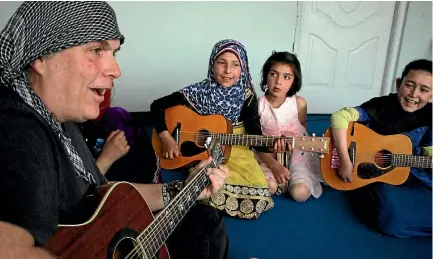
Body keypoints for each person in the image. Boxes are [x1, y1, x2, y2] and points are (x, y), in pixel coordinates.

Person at [0, 2, 229, 259]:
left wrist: (184, 189)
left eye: (114, 54)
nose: (116, 71)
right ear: (40, 57)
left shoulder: (61, 120)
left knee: (204, 221)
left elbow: (98, 197)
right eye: (96, 49)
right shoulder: (17, 128)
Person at [150, 39, 279, 219]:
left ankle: (211, 197)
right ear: (212, 64)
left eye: (235, 65)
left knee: (259, 187)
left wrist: (272, 145)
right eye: (221, 63)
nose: (228, 71)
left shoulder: (247, 96)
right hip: (205, 152)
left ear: (243, 69)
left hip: (237, 148)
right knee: (206, 179)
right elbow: (157, 106)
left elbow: (254, 133)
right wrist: (166, 137)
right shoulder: (198, 92)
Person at [330, 59, 432, 238]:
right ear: (399, 83)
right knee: (390, 218)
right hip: (376, 174)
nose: (414, 94)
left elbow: (428, 150)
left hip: (413, 172)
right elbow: (340, 116)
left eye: (424, 90)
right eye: (409, 85)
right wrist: (345, 159)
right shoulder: (381, 105)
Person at [254, 51, 323, 201]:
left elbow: (303, 129)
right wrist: (274, 164)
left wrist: (292, 146)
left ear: (294, 80)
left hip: (297, 155)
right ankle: (276, 176)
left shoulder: (299, 103)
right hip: (268, 155)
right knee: (269, 187)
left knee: (300, 194)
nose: (278, 81)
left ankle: (294, 178)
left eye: (286, 77)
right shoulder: (258, 105)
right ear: (266, 75)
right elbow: (256, 142)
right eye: (273, 74)